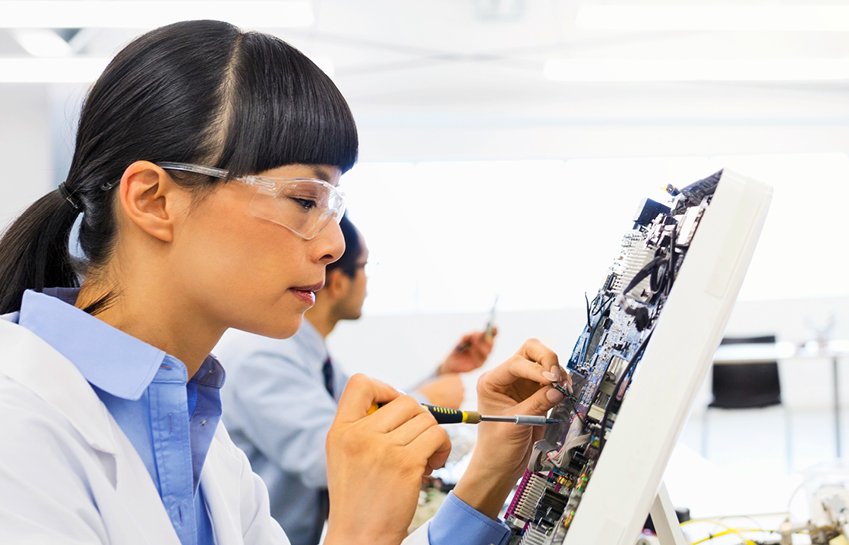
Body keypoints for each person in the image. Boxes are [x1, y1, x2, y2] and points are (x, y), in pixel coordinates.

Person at [0, 20, 572, 545]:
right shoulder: (19, 423)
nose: (335, 245)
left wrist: (494, 464)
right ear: (154, 200)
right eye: (303, 200)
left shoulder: (200, 436)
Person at [215, 214, 496, 545]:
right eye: (364, 267)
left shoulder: (309, 354)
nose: (367, 282)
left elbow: (361, 418)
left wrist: (444, 372)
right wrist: (430, 401)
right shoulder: (262, 357)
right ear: (336, 282)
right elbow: (335, 454)